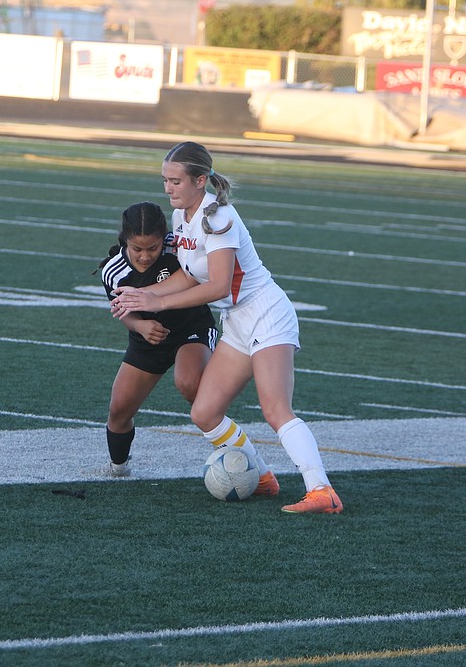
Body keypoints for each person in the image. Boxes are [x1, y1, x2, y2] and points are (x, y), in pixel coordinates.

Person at [112, 141, 342, 514]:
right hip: (237, 321)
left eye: (175, 181)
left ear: (200, 181)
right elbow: (189, 275)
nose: (168, 188)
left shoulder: (218, 217)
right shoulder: (181, 216)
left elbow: (217, 285)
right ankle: (264, 476)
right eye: (165, 180)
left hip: (266, 313)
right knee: (204, 413)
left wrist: (159, 301)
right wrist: (144, 296)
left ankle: (322, 490)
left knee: (276, 409)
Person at [98, 201, 225, 479]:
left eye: (152, 248)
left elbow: (202, 279)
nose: (145, 256)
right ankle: (118, 468)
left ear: (164, 238)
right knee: (119, 411)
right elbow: (122, 311)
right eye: (137, 249)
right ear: (125, 241)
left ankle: (233, 449)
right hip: (148, 339)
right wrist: (141, 327)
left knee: (189, 382)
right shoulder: (112, 270)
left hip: (191, 328)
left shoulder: (179, 247)